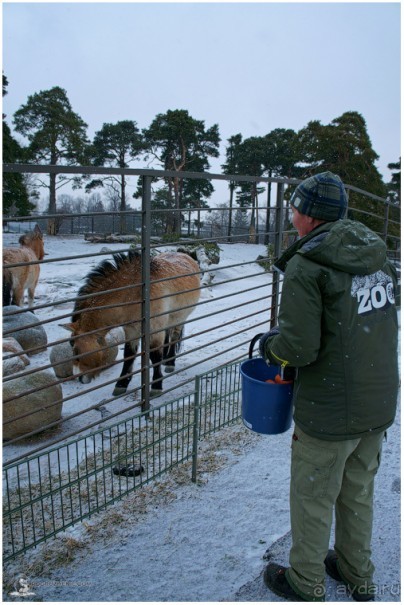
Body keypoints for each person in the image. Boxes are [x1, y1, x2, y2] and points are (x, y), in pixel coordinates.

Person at [258, 171, 399, 602]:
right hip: (377, 403)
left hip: (329, 410)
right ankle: (358, 574)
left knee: (313, 497)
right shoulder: (377, 255)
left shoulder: (308, 264)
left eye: (295, 208)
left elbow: (298, 349)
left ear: (309, 217)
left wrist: (270, 346)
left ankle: (306, 581)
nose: (291, 214)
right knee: (357, 493)